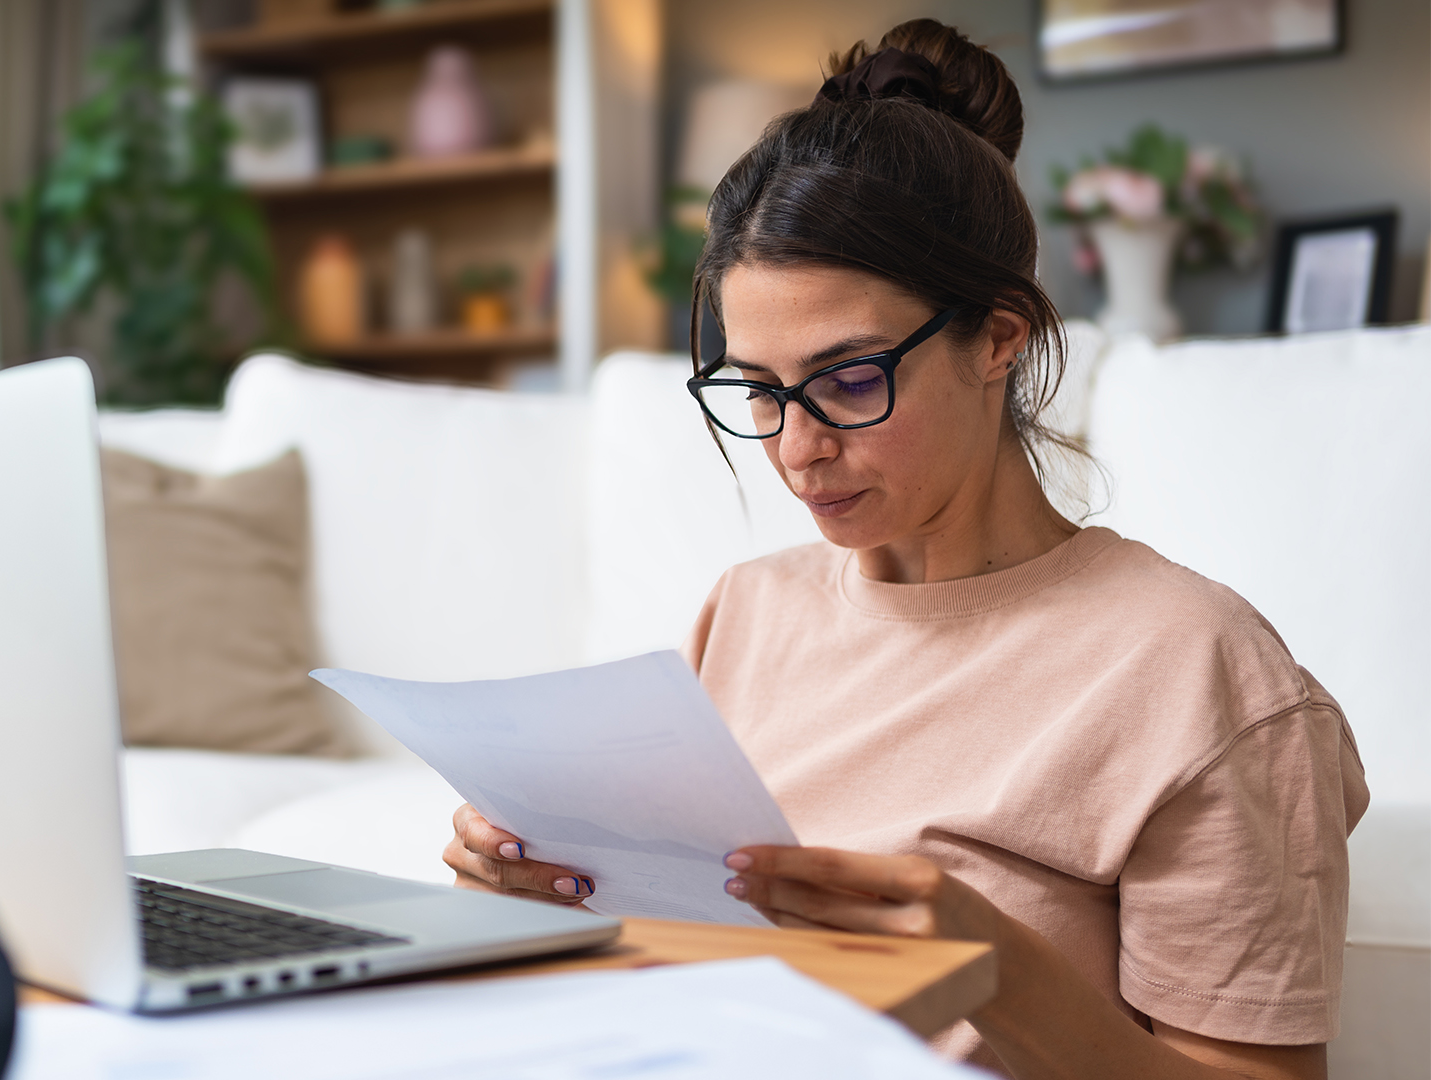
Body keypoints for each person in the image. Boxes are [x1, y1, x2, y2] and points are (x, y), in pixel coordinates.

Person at [442, 19, 1366, 1080]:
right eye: (758, 390)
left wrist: (998, 970)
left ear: (1001, 336)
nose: (796, 448)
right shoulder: (744, 612)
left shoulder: (1198, 670)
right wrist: (528, 897)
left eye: (847, 379)